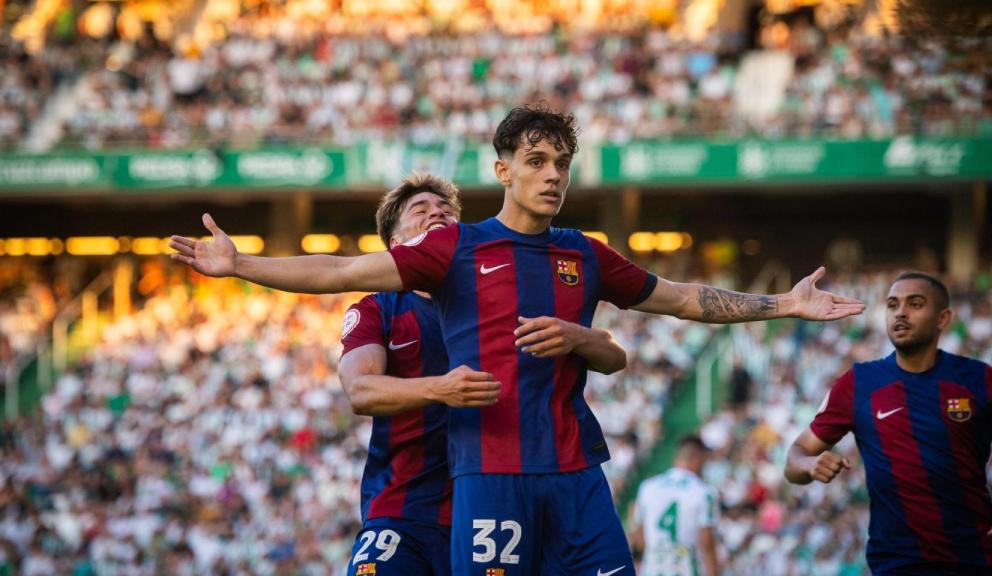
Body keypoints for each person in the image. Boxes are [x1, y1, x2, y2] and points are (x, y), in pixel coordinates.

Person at [170, 104, 864, 575]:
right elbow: (343, 269)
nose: (553, 173)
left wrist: (784, 304)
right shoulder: (455, 250)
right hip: (490, 477)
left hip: (576, 477)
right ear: (503, 171)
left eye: (562, 161)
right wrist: (244, 265)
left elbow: (683, 300)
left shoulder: (585, 253)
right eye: (536, 160)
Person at [337, 172, 629, 575]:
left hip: (502, 498)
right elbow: (360, 391)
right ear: (395, 246)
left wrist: (582, 339)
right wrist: (440, 389)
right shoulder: (377, 310)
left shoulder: (500, 293)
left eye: (445, 211)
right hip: (407, 508)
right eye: (420, 211)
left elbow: (612, 355)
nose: (436, 215)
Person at [785, 271, 992, 576]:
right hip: (897, 564)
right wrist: (808, 465)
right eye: (892, 304)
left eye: (915, 304)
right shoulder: (858, 383)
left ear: (943, 318)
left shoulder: (980, 380)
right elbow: (794, 458)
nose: (900, 312)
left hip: (981, 560)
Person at [631, 435, 720, 576]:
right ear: (699, 459)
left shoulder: (648, 487)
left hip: (654, 569)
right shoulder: (705, 492)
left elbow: (639, 537)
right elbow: (706, 543)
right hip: (687, 569)